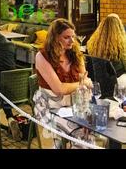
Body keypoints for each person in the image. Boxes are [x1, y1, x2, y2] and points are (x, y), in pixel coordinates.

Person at [33, 19, 93, 149]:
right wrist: (82, 83)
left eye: (73, 36)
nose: (72, 41)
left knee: (92, 128)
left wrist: (83, 85)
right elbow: (59, 89)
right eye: (66, 37)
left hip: (74, 105)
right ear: (55, 38)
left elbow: (87, 84)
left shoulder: (76, 54)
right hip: (49, 106)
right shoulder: (42, 56)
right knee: (82, 135)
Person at [87, 13, 126, 77]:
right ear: (119, 26)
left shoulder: (92, 42)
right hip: (117, 78)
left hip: (98, 77)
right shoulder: (122, 44)